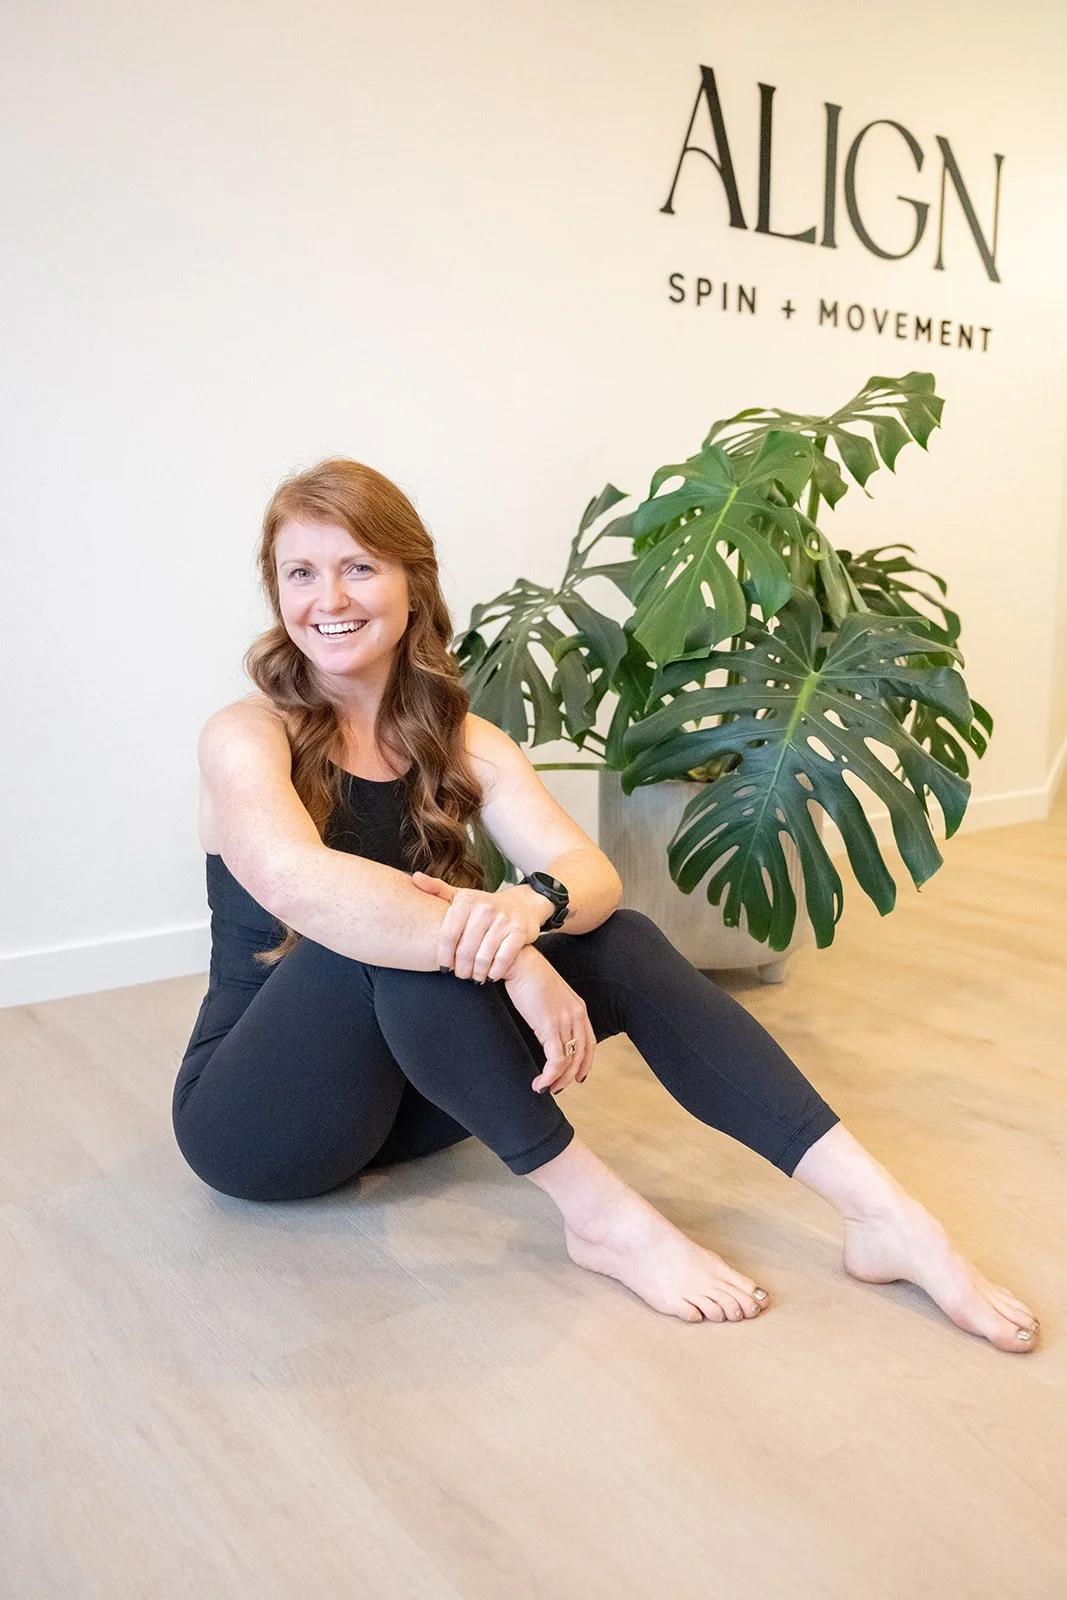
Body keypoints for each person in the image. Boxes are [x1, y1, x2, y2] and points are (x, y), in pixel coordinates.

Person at [172, 458, 1039, 1352]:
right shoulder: (246, 734)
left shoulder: (463, 739)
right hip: (259, 1122)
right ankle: (604, 1222)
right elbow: (299, 885)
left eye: (358, 566)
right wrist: (515, 953)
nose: (329, 598)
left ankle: (880, 1213)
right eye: (300, 573)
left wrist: (528, 912)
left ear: (410, 580)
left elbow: (587, 874)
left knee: (615, 938)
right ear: (277, 595)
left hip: (417, 1102)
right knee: (385, 939)